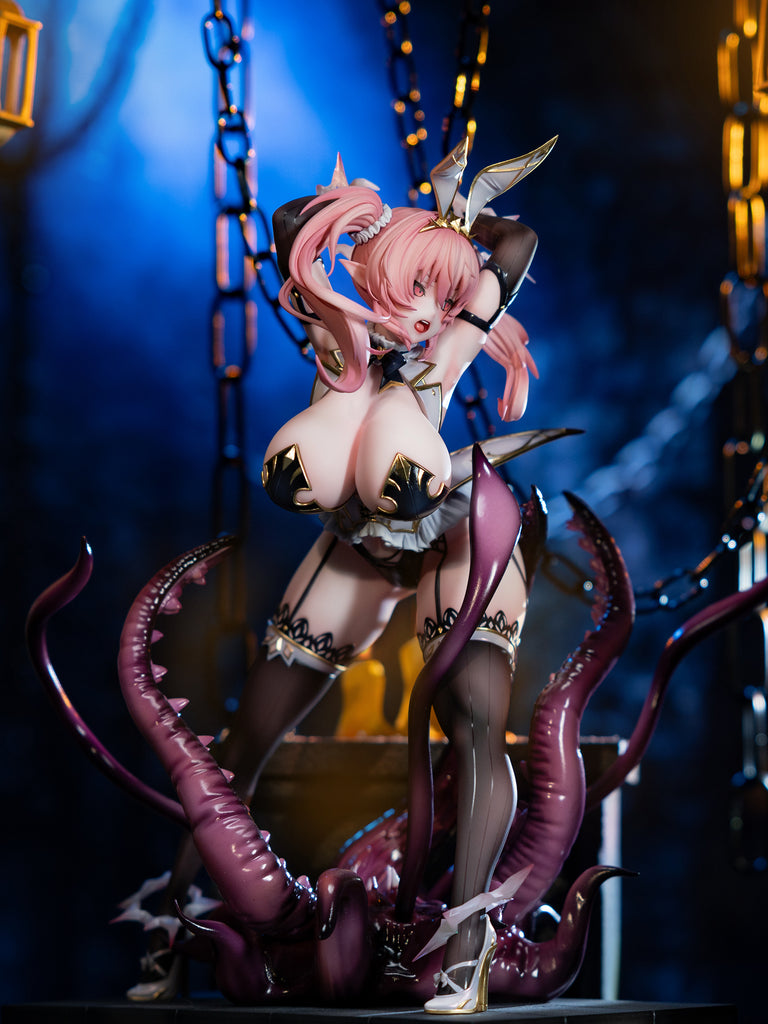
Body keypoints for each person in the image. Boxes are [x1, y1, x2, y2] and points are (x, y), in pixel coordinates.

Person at [129, 135, 555, 1014]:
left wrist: (449, 228)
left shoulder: (449, 347)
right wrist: (373, 220)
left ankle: (468, 946)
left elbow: (516, 244)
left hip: (452, 537)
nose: (420, 312)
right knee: (248, 738)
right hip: (360, 543)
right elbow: (293, 222)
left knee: (476, 726)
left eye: (436, 293)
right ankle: (173, 931)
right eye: (406, 287)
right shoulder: (337, 336)